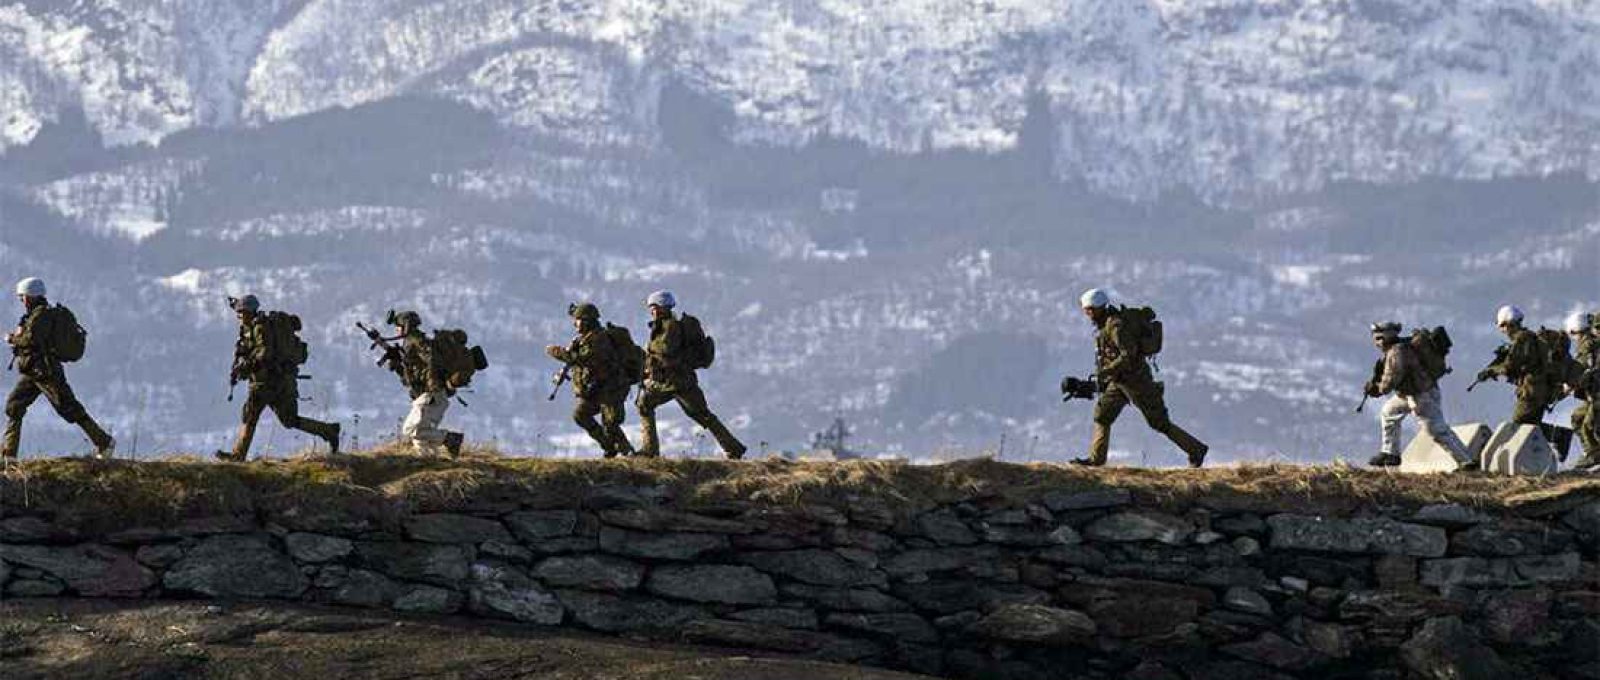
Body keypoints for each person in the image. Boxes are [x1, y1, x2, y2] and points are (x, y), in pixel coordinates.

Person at [1071, 288, 1208, 468]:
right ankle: (1096, 460)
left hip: (1136, 382)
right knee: (1102, 416)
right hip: (1119, 382)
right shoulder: (1106, 325)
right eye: (1086, 311)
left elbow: (1127, 355)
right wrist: (1100, 380)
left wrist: (1105, 373)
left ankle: (1196, 449)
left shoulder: (1115, 326)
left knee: (1159, 423)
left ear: (1099, 308)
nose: (1088, 314)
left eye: (1089, 310)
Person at [216, 295, 340, 462]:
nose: (239, 317)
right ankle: (328, 431)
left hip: (266, 382)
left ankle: (238, 456)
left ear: (249, 312)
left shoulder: (260, 327)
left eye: (241, 313)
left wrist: (245, 366)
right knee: (289, 420)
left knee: (250, 415)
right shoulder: (254, 327)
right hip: (281, 382)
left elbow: (264, 353)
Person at [2, 277, 115, 461]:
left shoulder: (41, 316)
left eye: (22, 297)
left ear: (30, 296)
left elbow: (31, 341)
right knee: (14, 406)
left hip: (46, 373)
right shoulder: (36, 315)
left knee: (69, 408)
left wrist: (12, 339)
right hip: (34, 372)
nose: (21, 300)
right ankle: (9, 457)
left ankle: (104, 442)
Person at [635, 291, 746, 460]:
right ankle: (733, 447)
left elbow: (665, 352)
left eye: (654, 307)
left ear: (663, 307)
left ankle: (650, 450)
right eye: (651, 308)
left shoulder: (670, 327)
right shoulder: (665, 326)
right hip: (677, 381)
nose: (652, 311)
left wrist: (650, 359)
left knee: (646, 404)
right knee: (702, 414)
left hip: (674, 381)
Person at [1364, 322, 1474, 470]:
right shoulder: (1399, 349)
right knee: (1389, 411)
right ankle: (1390, 453)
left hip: (1421, 395)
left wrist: (1376, 389)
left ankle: (1466, 462)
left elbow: (1391, 380)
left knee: (1436, 430)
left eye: (1378, 338)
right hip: (1410, 394)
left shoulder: (1396, 352)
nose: (1376, 342)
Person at [546, 303, 636, 458]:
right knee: (580, 415)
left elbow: (580, 358)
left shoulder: (599, 339)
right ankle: (609, 446)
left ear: (587, 321)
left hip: (611, 389)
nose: (575, 324)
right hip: (595, 389)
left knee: (611, 424)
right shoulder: (583, 339)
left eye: (578, 320)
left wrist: (555, 351)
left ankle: (629, 454)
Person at [386, 310, 464, 457]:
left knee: (409, 429)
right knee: (421, 436)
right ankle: (429, 461)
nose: (397, 329)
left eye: (399, 325)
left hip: (430, 394)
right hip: (430, 394)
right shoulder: (411, 342)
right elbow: (412, 373)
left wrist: (432, 385)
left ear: (406, 325)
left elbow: (430, 362)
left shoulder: (417, 341)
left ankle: (450, 438)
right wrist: (398, 366)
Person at [1475, 305, 1555, 425]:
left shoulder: (1521, 339)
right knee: (1530, 426)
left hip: (1531, 390)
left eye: (1502, 326)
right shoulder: (1529, 337)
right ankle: (1559, 436)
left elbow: (1509, 367)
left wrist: (1491, 371)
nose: (1503, 331)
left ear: (1509, 323)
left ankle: (1560, 435)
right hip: (1540, 389)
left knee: (1518, 425)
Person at [1566, 311, 1598, 471]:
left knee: (1588, 426)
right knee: (1578, 418)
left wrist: (1570, 384)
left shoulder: (1588, 345)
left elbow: (1583, 368)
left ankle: (1594, 455)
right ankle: (1591, 453)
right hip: (1592, 394)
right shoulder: (1591, 343)